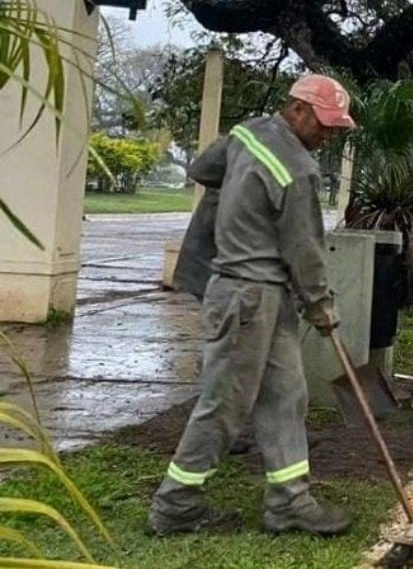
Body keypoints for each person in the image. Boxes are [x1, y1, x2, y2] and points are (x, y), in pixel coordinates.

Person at [149, 75, 356, 536]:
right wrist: (321, 305)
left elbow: (202, 168)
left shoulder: (246, 135)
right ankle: (176, 505)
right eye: (324, 124)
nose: (328, 136)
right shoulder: (297, 169)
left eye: (335, 129)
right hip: (247, 298)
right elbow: (304, 249)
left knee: (286, 395)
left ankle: (289, 503)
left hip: (264, 297)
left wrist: (239, 194)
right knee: (224, 405)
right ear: (298, 109)